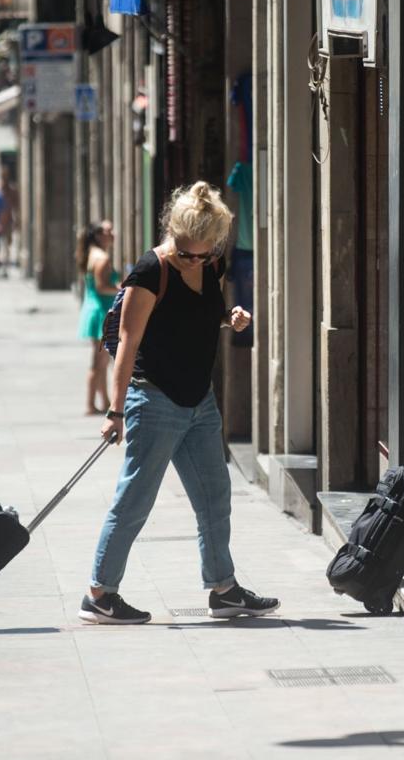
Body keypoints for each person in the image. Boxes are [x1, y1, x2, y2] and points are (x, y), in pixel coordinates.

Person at [81, 181, 276, 625]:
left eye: (205, 254)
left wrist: (231, 318)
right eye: (189, 253)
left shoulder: (210, 263)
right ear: (174, 233)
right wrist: (115, 412)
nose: (198, 261)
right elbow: (127, 346)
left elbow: (200, 316)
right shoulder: (151, 272)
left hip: (199, 402)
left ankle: (223, 589)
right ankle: (99, 593)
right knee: (135, 500)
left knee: (214, 496)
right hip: (153, 401)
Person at [75, 221, 120, 415]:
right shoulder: (101, 258)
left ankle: (104, 402)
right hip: (102, 311)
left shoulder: (91, 254)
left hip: (94, 309)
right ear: (99, 235)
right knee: (98, 361)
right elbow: (102, 286)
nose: (113, 233)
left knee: (101, 361)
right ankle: (90, 404)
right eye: (108, 231)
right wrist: (121, 288)